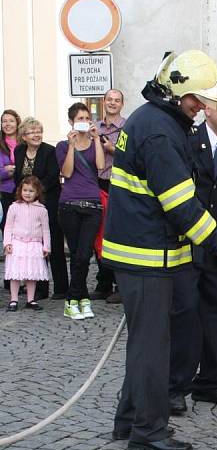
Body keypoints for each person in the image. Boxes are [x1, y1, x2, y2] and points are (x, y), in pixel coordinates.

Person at [103, 50, 217, 450]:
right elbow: (180, 204)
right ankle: (149, 430)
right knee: (153, 347)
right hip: (146, 255)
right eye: (196, 98)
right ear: (176, 91)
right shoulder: (161, 132)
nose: (201, 106)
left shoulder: (157, 120)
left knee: (145, 344)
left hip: (146, 252)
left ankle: (129, 420)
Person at [169, 79, 217, 417]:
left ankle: (211, 382)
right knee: (185, 315)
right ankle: (175, 387)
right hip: (186, 241)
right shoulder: (189, 141)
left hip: (215, 244)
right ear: (209, 108)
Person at [56, 102, 105, 319]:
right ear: (71, 122)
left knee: (84, 254)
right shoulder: (62, 146)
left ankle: (72, 298)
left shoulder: (96, 141)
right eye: (80, 119)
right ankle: (81, 299)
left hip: (93, 204)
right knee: (76, 254)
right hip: (69, 204)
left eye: (87, 118)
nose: (84, 122)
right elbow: (66, 172)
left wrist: (96, 139)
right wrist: (72, 145)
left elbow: (102, 166)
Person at [14, 117, 67, 300]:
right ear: (24, 136)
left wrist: (35, 193)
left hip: (49, 202)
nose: (36, 135)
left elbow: (53, 177)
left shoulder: (49, 151)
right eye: (32, 132)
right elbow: (17, 178)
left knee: (54, 243)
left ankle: (61, 288)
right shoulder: (19, 150)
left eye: (39, 131)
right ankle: (39, 289)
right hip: (27, 205)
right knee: (35, 246)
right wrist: (24, 197)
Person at [92, 89, 127, 303]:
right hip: (96, 182)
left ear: (122, 104)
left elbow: (133, 155)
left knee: (117, 234)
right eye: (110, 100)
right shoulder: (94, 127)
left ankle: (119, 283)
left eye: (117, 100)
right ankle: (103, 281)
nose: (113, 103)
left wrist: (112, 149)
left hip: (118, 184)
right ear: (104, 102)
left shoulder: (128, 127)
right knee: (98, 235)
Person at [3, 176, 49, 311]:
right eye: (25, 190)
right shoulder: (14, 207)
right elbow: (8, 226)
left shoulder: (42, 210)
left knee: (31, 273)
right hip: (17, 243)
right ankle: (14, 299)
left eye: (31, 191)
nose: (27, 193)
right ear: (20, 191)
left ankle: (31, 299)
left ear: (37, 193)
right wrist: (7, 243)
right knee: (15, 273)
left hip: (34, 245)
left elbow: (45, 229)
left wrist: (46, 246)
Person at [0, 109, 20, 235]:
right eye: (4, 121)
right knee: (7, 226)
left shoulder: (24, 143)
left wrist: (8, 168)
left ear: (17, 123)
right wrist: (6, 171)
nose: (7, 124)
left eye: (11, 121)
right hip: (5, 192)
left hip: (24, 191)